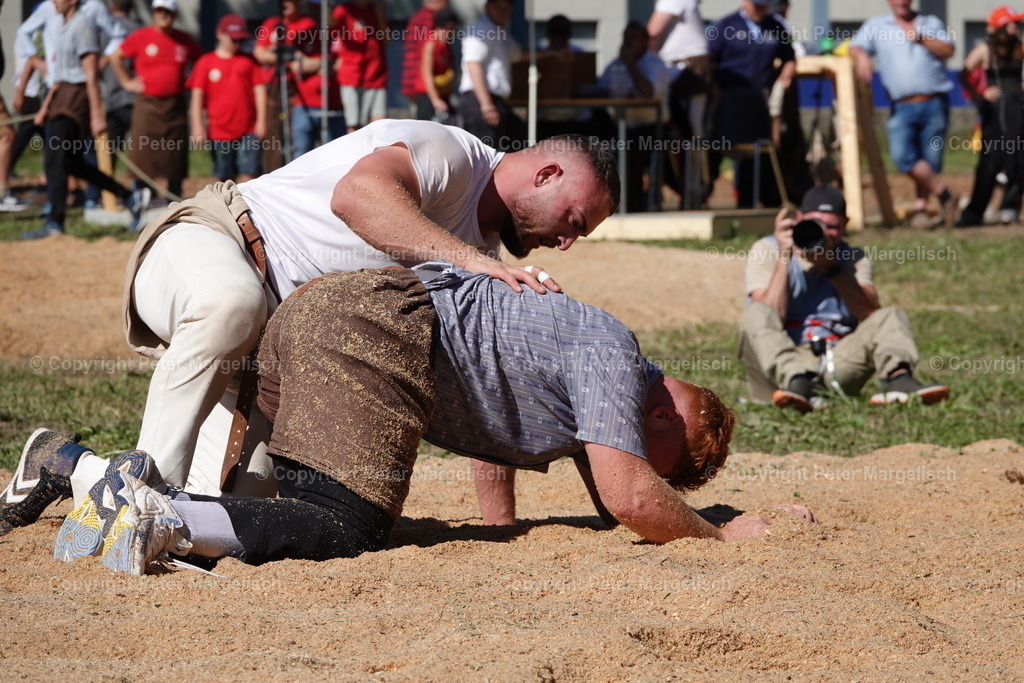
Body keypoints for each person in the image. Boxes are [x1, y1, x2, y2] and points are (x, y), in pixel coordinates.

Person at [33, 265, 815, 573]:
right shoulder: (618, 352)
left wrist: (501, 529)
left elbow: (496, 419)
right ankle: (152, 511)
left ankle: (71, 465)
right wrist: (719, 533)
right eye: (667, 439)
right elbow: (632, 498)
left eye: (659, 455)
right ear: (675, 402)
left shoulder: (586, 364)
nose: (642, 443)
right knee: (345, 527)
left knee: (274, 512)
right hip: (373, 332)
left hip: (325, 313)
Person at [39, 123, 615, 520]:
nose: (565, 242)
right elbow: (357, 196)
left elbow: (487, 388)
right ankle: (139, 494)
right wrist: (471, 262)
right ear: (546, 173)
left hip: (264, 355)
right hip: (215, 239)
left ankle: (60, 463)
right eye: (572, 219)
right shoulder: (451, 154)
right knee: (231, 303)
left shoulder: (482, 255)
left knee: (241, 509)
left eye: (578, 236)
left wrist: (505, 521)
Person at [738, 185, 950, 413]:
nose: (824, 232)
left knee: (891, 315)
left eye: (832, 226)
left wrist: (832, 267)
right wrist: (784, 256)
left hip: (835, 360)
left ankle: (898, 380)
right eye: (816, 224)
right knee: (756, 311)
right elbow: (769, 316)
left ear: (845, 225)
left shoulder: (852, 258)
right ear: (798, 219)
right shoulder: (767, 250)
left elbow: (870, 314)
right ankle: (799, 383)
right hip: (783, 361)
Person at [21, 0, 142, 240]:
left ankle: (55, 222)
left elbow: (90, 74)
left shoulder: (82, 25)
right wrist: (45, 107)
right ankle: (129, 196)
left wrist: (96, 115)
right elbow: (58, 74)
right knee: (72, 163)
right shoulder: (62, 25)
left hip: (75, 98)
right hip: (61, 95)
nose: (54, 2)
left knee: (54, 159)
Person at [849, 0, 958, 228]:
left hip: (934, 101)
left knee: (930, 159)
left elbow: (948, 49)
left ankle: (921, 209)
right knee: (902, 156)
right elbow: (854, 46)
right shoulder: (876, 26)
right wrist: (862, 56)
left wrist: (920, 38)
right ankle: (946, 194)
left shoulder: (930, 22)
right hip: (901, 105)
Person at [110, 0, 201, 204]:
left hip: (175, 106)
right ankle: (143, 201)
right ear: (153, 12)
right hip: (147, 105)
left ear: (175, 14)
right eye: (159, 10)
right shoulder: (142, 36)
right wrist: (127, 82)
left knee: (175, 155)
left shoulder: (184, 40)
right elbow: (116, 57)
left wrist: (192, 83)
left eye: (167, 11)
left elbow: (200, 63)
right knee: (144, 154)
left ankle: (174, 201)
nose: (163, 14)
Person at [707, 0, 795, 209]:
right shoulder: (726, 25)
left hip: (759, 99)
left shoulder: (775, 26)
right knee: (718, 149)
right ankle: (702, 195)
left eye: (764, 5)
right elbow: (710, 59)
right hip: (729, 98)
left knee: (756, 152)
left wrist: (786, 74)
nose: (760, 9)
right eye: (756, 4)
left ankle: (751, 202)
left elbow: (789, 56)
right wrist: (714, 88)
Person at [596, 21, 676, 212]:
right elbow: (600, 89)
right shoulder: (616, 64)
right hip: (622, 126)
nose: (628, 42)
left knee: (631, 151)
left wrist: (631, 64)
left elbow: (648, 92)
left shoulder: (655, 64)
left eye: (633, 38)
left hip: (652, 129)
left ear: (645, 41)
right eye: (626, 38)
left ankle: (636, 202)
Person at [955, 7, 1024, 228]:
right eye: (1013, 22)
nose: (1017, 26)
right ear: (1003, 25)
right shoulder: (985, 49)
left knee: (1018, 159)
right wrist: (979, 94)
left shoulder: (1020, 47)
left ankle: (1009, 208)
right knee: (990, 161)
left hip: (1017, 107)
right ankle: (975, 212)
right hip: (995, 110)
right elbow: (963, 74)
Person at [254, 0, 344, 162]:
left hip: (296, 92)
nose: (285, 4)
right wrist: (285, 58)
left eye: (291, 1)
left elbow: (328, 61)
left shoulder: (310, 25)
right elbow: (260, 54)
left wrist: (306, 63)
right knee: (275, 140)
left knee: (304, 144)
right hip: (274, 88)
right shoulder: (272, 24)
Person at [647, 0, 712, 207]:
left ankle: (693, 194)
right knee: (687, 136)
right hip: (680, 72)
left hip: (686, 71)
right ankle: (692, 192)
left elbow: (651, 33)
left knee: (687, 136)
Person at [187, 14, 267, 183]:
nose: (237, 44)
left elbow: (260, 91)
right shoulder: (206, 62)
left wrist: (262, 121)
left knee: (249, 173)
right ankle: (228, 208)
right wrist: (197, 125)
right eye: (233, 39)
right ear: (220, 34)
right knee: (224, 176)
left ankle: (248, 208)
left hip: (248, 129)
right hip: (219, 131)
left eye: (241, 40)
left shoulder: (249, 61)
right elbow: (197, 96)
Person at [459, 0, 525, 151]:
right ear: (487, 8)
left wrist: (552, 52)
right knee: (485, 155)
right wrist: (487, 105)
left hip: (495, 101)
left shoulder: (501, 31)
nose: (502, 12)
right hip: (479, 101)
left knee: (513, 142)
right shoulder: (480, 29)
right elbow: (473, 64)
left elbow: (518, 54)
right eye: (497, 7)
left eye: (506, 8)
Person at [97, 0, 140, 175]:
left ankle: (102, 192)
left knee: (109, 148)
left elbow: (95, 65)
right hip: (137, 98)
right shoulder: (139, 29)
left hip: (111, 98)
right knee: (141, 147)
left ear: (112, 6)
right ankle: (143, 189)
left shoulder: (102, 29)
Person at [333, 0, 389, 133]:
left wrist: (379, 12)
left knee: (380, 124)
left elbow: (386, 38)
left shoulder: (375, 9)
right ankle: (355, 154)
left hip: (376, 74)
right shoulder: (343, 10)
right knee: (355, 125)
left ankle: (376, 153)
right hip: (352, 75)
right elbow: (331, 29)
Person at [401, 0, 448, 118]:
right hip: (423, 86)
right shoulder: (429, 20)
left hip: (412, 83)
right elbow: (425, 58)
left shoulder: (416, 17)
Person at [417, 8, 459, 122]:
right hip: (428, 96)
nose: (454, 32)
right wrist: (435, 100)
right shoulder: (431, 43)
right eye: (453, 28)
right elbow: (426, 73)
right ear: (448, 26)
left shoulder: (445, 45)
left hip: (443, 94)